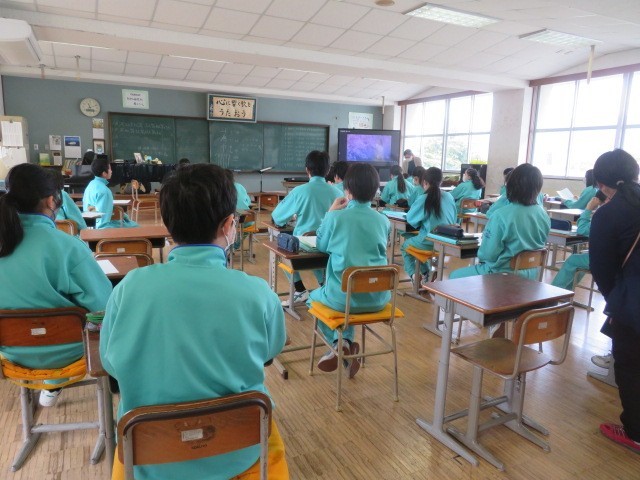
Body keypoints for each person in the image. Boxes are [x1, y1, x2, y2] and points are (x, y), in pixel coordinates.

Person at [101, 164, 288, 479]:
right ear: (229, 225)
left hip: (150, 455)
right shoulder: (257, 292)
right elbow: (270, 351)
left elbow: (110, 363)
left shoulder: (129, 288)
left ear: (167, 224)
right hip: (239, 451)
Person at [0, 163, 111, 407]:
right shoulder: (68, 247)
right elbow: (104, 306)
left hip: (11, 352)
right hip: (71, 350)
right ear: (51, 201)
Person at [308, 163, 390, 377]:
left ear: (347, 190)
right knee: (349, 294)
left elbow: (321, 245)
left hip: (341, 298)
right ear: (375, 191)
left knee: (312, 298)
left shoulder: (336, 217)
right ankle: (346, 346)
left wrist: (330, 212)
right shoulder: (383, 221)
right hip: (379, 298)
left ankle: (340, 343)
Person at [589, 149, 640, 453]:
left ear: (602, 183)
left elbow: (602, 269)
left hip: (633, 302)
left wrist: (616, 302)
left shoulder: (608, 214)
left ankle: (635, 432)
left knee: (631, 366)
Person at [450, 163, 550, 279]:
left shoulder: (501, 215)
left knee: (454, 276)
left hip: (502, 274)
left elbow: (488, 254)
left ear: (511, 185)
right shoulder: (543, 215)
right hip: (532, 276)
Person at [271, 151, 342, 305]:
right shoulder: (338, 192)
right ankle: (325, 287)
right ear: (328, 171)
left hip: (303, 249)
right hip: (331, 246)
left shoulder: (299, 191)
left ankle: (300, 290)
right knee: (319, 252)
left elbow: (277, 216)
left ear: (307, 170)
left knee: (281, 250)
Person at [401, 167, 457, 285]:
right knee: (414, 240)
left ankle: (415, 275)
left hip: (430, 242)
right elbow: (455, 218)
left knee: (406, 246)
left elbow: (411, 219)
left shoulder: (424, 198)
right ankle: (426, 273)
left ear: (425, 182)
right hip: (448, 242)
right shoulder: (449, 196)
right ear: (441, 182)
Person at [550, 195, 602, 290]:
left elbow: (582, 230)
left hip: (606, 259)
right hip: (620, 259)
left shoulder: (606, 214)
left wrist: (588, 209)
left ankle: (554, 292)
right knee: (579, 259)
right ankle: (566, 291)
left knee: (573, 260)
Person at [83, 156, 138, 228]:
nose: (111, 171)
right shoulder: (105, 191)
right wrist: (124, 217)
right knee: (136, 226)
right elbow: (103, 219)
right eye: (110, 169)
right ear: (104, 173)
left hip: (89, 224)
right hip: (103, 227)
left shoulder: (91, 184)